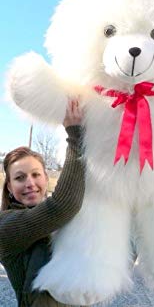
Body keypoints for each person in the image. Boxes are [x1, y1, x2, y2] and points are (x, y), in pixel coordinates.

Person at [0, 99, 85, 307]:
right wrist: (76, 135)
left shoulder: (64, 222)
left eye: (36, 174)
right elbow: (62, 206)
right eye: (20, 178)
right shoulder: (6, 227)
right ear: (9, 187)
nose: (30, 183)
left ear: (46, 178)